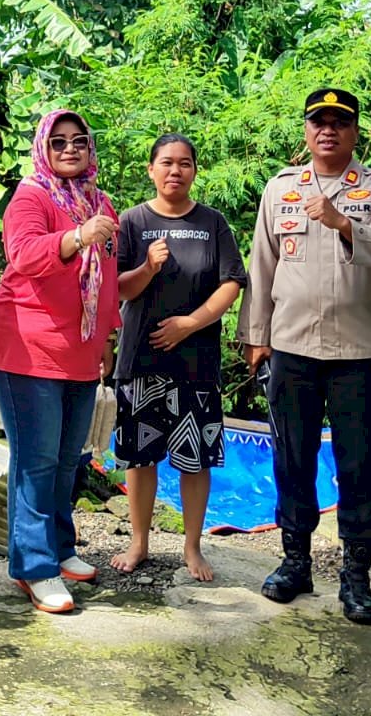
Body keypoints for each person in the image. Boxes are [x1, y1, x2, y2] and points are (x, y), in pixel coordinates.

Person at [240, 87, 371, 623]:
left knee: (359, 465)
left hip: (357, 353)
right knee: (291, 457)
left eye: (339, 122)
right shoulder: (281, 189)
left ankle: (356, 573)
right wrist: (255, 334)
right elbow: (262, 264)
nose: (328, 131)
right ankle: (296, 562)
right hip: (291, 348)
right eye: (319, 122)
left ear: (355, 131)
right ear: (307, 131)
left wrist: (344, 223)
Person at [0, 109, 122, 614]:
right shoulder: (32, 195)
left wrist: (108, 337)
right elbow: (24, 254)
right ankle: (34, 567)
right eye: (57, 141)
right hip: (27, 346)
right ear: (43, 147)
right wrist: (79, 236)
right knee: (37, 461)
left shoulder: (99, 201)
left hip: (80, 352)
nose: (68, 149)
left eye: (78, 140)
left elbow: (106, 280)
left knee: (68, 459)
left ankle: (61, 548)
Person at [110, 133, 245, 583]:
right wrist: (147, 267)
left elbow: (231, 282)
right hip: (141, 361)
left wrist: (191, 323)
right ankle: (140, 542)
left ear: (194, 171)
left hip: (197, 361)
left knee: (196, 459)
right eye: (166, 163)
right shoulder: (131, 222)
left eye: (185, 163)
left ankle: (192, 546)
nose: (175, 171)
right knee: (139, 457)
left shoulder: (212, 223)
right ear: (151, 169)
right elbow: (118, 289)